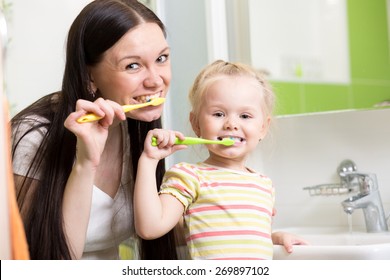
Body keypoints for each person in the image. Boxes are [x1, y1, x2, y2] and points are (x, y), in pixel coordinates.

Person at [11, 0, 178, 260]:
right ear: (90, 76)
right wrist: (85, 164)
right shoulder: (34, 137)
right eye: (132, 65)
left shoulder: (136, 130)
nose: (156, 80)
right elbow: (39, 262)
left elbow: (156, 228)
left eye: (161, 58)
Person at [134, 60, 308, 260]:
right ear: (196, 124)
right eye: (218, 114)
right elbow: (150, 228)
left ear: (263, 127)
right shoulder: (189, 176)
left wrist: (273, 238)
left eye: (244, 115)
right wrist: (148, 160)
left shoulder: (264, 185)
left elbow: (240, 241)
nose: (231, 124)